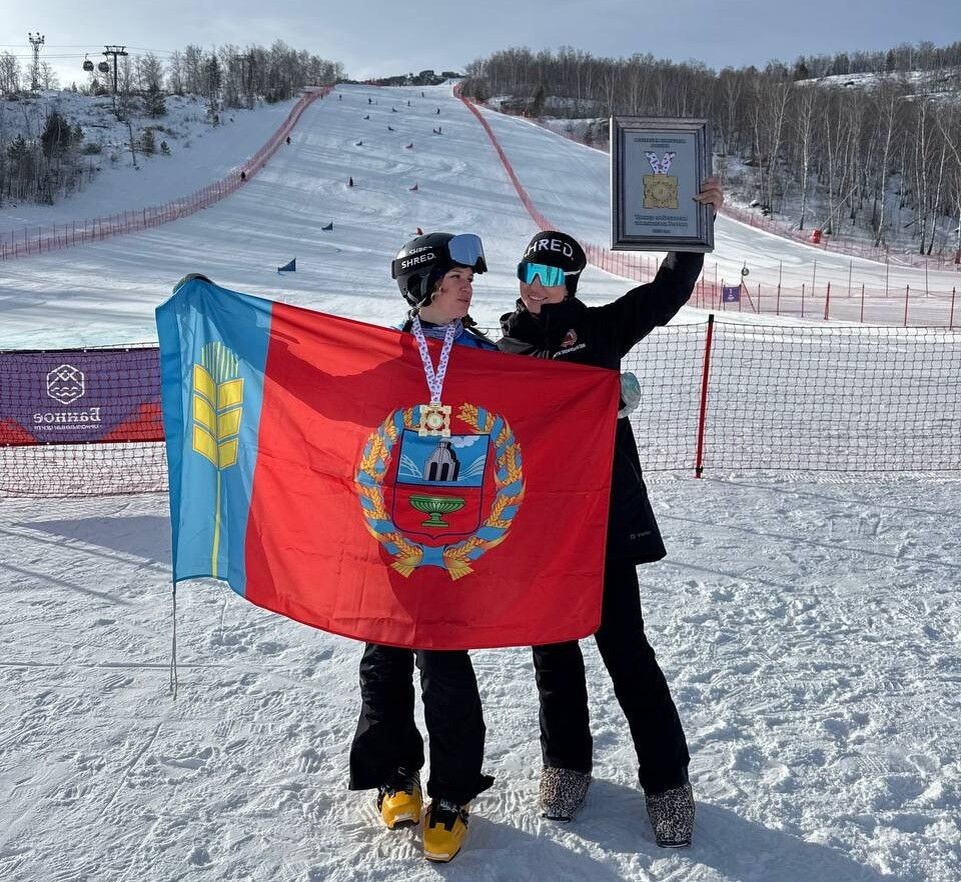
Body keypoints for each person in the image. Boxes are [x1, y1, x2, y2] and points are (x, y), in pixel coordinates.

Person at [497, 179, 724, 848]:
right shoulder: (500, 350)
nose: (539, 284)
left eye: (553, 275)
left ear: (570, 282)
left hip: (597, 525)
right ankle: (565, 764)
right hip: (536, 528)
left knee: (626, 651)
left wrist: (693, 230)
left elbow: (662, 297)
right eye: (530, 272)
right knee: (552, 653)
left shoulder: (597, 330)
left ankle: (667, 781)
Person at [349, 232, 497, 864]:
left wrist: (605, 400)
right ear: (422, 285)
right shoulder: (388, 355)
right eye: (455, 277)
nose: (468, 287)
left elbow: (546, 402)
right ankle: (395, 773)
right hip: (392, 537)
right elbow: (333, 402)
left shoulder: (489, 356)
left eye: (468, 277)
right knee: (383, 655)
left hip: (456, 541)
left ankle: (454, 793)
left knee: (445, 664)